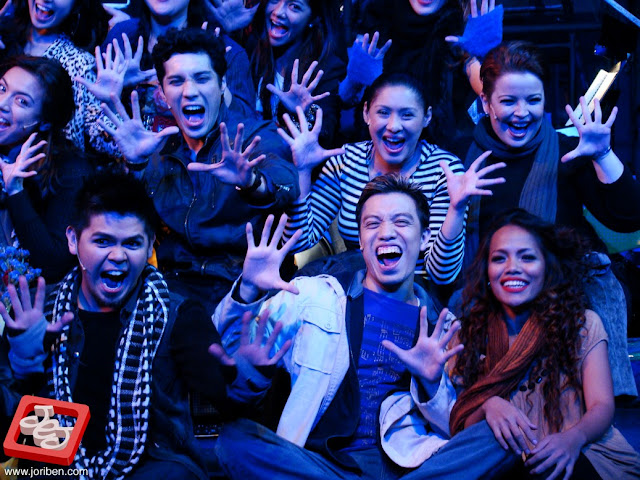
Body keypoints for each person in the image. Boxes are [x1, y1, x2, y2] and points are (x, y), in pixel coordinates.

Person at [212, 174, 466, 479]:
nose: (386, 233)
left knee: (489, 442)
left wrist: (432, 384)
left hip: (408, 470)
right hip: (321, 466)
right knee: (235, 440)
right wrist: (248, 290)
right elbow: (224, 350)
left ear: (424, 237)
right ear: (360, 240)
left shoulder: (444, 329)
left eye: (401, 222)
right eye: (373, 224)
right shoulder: (313, 296)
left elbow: (457, 428)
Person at [0, 171, 230, 479]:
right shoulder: (37, 311)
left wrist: (248, 376)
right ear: (73, 240)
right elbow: (9, 430)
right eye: (103, 241)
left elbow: (224, 407)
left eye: (132, 243)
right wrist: (23, 366)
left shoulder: (178, 314)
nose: (118, 256)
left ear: (150, 246)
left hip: (148, 468)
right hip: (55, 468)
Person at [465, 41, 640, 396]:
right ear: (486, 103)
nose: (522, 113)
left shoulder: (567, 151)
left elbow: (629, 218)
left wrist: (603, 154)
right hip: (496, 296)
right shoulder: (467, 160)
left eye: (533, 100)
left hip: (569, 296)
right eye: (508, 101)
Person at [101, 27, 298, 311]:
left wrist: (251, 181)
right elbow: (127, 225)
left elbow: (286, 184)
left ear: (222, 84)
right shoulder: (158, 149)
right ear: (163, 93)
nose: (189, 91)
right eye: (176, 81)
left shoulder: (252, 136)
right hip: (175, 287)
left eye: (202, 78)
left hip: (244, 284)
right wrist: (135, 165)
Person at [445, 209, 640, 479]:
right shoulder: (467, 333)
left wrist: (572, 438)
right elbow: (463, 424)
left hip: (583, 449)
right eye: (499, 258)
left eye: (527, 257)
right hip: (506, 458)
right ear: (487, 271)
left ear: (547, 268)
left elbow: (602, 406)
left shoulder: (581, 324)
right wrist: (488, 405)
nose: (512, 267)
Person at [280, 72, 504, 285]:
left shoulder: (443, 169)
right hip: (356, 287)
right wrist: (303, 171)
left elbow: (441, 275)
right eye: (383, 113)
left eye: (407, 115)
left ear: (426, 117)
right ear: (366, 113)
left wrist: (456, 208)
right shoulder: (346, 160)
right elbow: (298, 242)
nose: (394, 126)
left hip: (416, 292)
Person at [341, 0, 503, 154]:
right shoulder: (376, 18)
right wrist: (354, 80)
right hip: (378, 152)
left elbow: (495, 96)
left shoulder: (461, 25)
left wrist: (486, 58)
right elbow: (343, 99)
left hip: (441, 155)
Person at [0, 55, 93, 282]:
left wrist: (16, 191)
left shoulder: (69, 170)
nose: (2, 103)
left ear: (44, 121)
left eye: (21, 101)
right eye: (1, 88)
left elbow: (52, 265)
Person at [103, 0, 257, 124]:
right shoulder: (122, 38)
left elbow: (247, 126)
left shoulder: (226, 51)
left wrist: (213, 84)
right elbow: (95, 117)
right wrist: (116, 92)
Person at [0, 0, 120, 155]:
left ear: (76, 4)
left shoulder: (79, 65)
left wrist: (111, 106)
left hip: (46, 166)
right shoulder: (5, 38)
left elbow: (107, 144)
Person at [245, 0, 345, 146]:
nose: (278, 12)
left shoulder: (325, 68)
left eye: (294, 6)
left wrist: (303, 114)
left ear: (313, 18)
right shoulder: (253, 47)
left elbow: (324, 135)